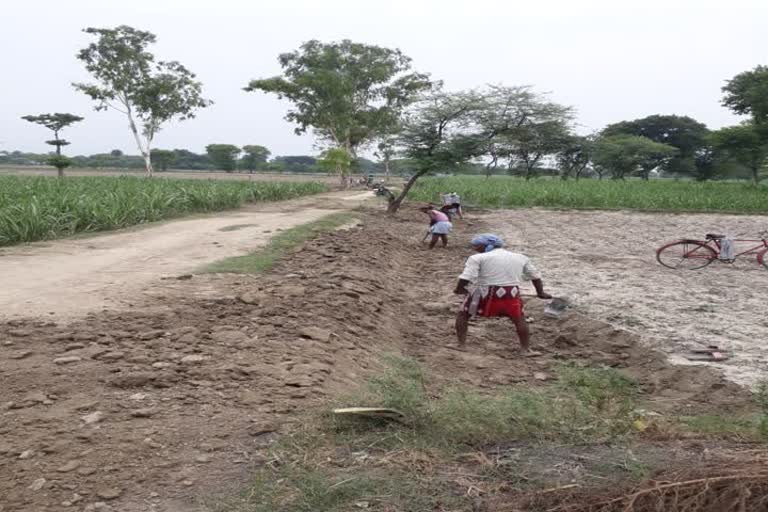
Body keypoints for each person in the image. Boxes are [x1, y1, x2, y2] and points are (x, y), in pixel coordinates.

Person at [454, 234, 551, 352]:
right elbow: (535, 276)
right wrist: (540, 293)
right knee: (519, 319)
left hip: (484, 291)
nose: (475, 249)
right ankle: (525, 350)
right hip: (511, 292)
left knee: (463, 315)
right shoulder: (521, 257)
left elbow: (466, 277)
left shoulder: (477, 258)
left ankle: (461, 345)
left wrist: (460, 289)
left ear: (484, 246)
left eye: (476, 246)